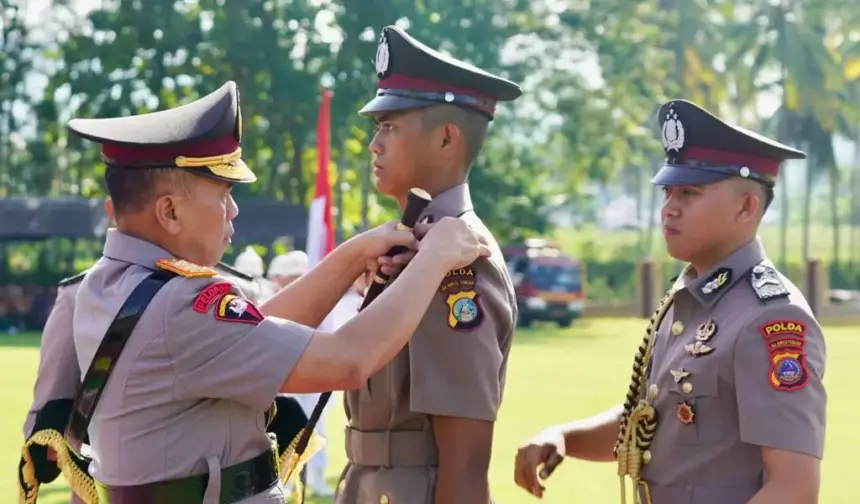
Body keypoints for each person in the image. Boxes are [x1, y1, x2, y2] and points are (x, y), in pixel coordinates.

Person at [18, 80, 491, 504]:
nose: (233, 212)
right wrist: (436, 257)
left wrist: (351, 257)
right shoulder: (183, 303)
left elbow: (251, 332)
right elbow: (347, 360)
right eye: (222, 194)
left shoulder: (105, 285)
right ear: (169, 212)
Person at [513, 100, 826, 504]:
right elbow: (655, 419)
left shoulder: (771, 319)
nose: (669, 209)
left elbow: (794, 489)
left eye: (690, 193)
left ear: (746, 207)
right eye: (668, 192)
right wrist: (565, 438)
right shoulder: (689, 298)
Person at [333, 26, 522, 504]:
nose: (375, 144)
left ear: (445, 140)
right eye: (378, 127)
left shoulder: (459, 262)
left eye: (391, 126)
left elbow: (465, 461)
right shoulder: (418, 243)